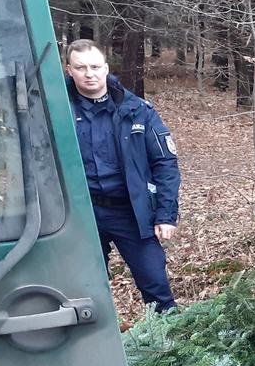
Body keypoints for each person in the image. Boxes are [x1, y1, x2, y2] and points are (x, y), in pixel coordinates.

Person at [65, 39, 180, 312]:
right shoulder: (57, 110)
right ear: (69, 70)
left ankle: (171, 342)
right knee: (86, 289)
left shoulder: (137, 110)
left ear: (106, 68)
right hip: (81, 214)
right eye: (81, 67)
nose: (89, 73)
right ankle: (99, 348)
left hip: (131, 211)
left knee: (155, 281)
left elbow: (165, 163)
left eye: (95, 66)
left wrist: (165, 214)